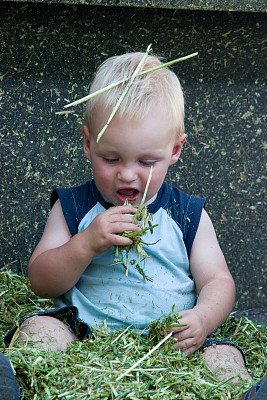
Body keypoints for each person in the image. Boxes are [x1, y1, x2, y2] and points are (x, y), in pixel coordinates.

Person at [6, 51, 251, 383]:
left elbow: (218, 281)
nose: (127, 175)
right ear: (88, 144)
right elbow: (41, 280)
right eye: (111, 158)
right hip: (85, 341)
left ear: (175, 151)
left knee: (225, 362)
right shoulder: (74, 207)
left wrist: (203, 319)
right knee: (36, 333)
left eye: (146, 162)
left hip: (172, 350)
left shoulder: (187, 214)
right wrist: (85, 244)